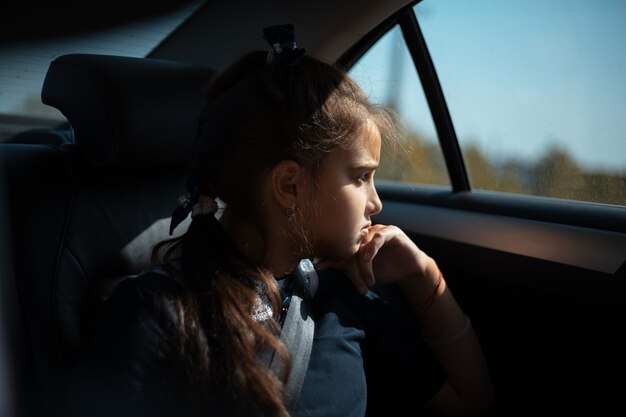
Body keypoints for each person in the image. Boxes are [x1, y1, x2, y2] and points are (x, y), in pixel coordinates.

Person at [66, 24, 494, 417]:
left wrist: (423, 275)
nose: (376, 203)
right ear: (290, 185)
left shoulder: (343, 299)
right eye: (361, 177)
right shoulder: (157, 315)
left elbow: (471, 400)